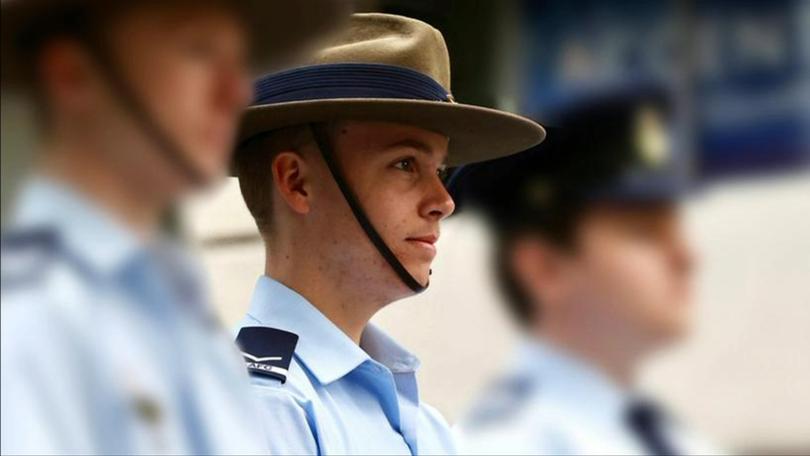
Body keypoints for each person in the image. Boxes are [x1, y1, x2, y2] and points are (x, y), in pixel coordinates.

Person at [0, 0, 347, 453]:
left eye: (238, 61)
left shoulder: (171, 307)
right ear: (74, 75)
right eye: (198, 50)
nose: (235, 92)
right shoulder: (27, 317)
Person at [229, 13, 546, 455]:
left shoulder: (421, 423)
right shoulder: (262, 409)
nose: (443, 200)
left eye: (439, 170)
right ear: (298, 182)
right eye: (404, 164)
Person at [450, 87, 718, 455]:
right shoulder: (506, 444)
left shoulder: (670, 435)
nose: (686, 257)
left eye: (675, 230)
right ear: (544, 268)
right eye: (645, 234)